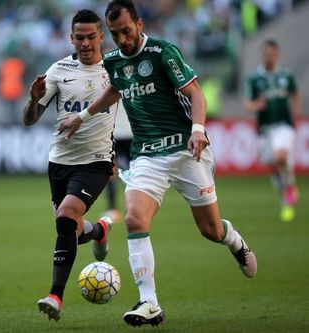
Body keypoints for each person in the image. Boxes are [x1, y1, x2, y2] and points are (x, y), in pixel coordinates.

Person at [58, 0, 257, 327]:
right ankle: (149, 302)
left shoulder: (163, 53)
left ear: (139, 24)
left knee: (211, 229)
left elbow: (196, 95)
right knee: (135, 220)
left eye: (126, 31)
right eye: (115, 34)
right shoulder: (114, 62)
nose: (122, 39)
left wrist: (197, 130)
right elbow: (114, 90)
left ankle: (233, 239)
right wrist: (82, 117)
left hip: (184, 149)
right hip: (147, 155)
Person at [22, 9, 117, 322]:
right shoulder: (59, 69)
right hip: (59, 162)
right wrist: (33, 101)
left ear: (102, 36)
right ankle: (99, 230)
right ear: (71, 38)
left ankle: (55, 296)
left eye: (91, 37)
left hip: (96, 161)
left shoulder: (115, 69)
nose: (86, 43)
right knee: (72, 231)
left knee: (66, 214)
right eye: (80, 38)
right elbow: (29, 120)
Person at [243, 39, 301, 222]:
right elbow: (247, 104)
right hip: (264, 129)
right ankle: (285, 195)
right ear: (263, 55)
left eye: (272, 54)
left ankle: (290, 186)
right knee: (274, 166)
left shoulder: (286, 75)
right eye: (266, 54)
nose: (269, 56)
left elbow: (295, 94)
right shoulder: (254, 78)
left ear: (277, 54)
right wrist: (257, 105)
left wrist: (296, 112)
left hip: (284, 125)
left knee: (280, 157)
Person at [103, 107, 132, 223]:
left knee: (134, 171)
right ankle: (114, 208)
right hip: (115, 132)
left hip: (128, 133)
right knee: (111, 171)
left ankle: (131, 206)